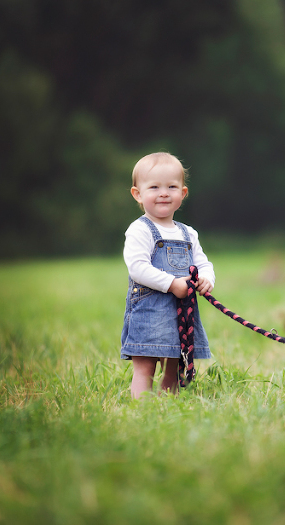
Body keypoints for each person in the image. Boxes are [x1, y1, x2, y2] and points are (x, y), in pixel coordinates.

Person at [120, 152, 215, 399]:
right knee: (146, 366)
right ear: (137, 194)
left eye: (171, 187)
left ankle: (168, 405)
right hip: (149, 311)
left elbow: (203, 263)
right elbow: (138, 268)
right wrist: (172, 284)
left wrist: (206, 278)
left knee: (175, 366)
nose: (163, 193)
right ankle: (141, 410)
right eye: (154, 187)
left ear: (182, 194)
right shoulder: (140, 229)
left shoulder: (188, 233)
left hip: (181, 312)